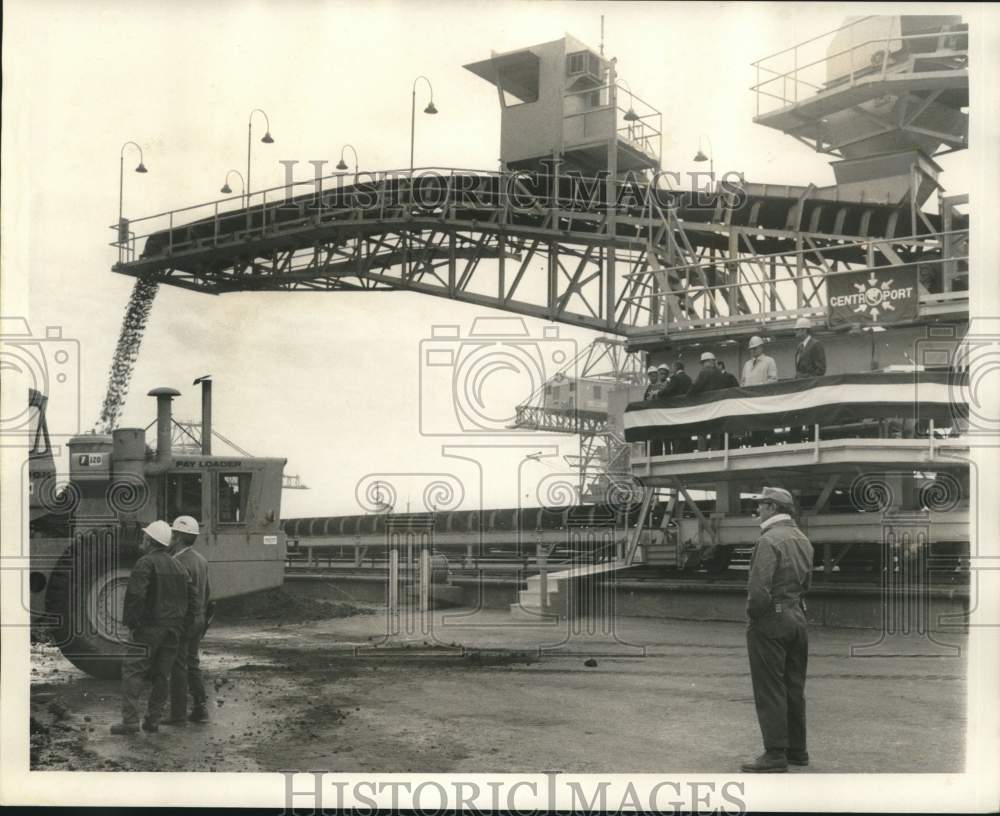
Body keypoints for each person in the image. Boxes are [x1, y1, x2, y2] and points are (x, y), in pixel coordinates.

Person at [741, 487, 814, 773]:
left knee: (769, 687)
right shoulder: (803, 539)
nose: (758, 510)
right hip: (797, 616)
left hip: (771, 620)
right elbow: (807, 583)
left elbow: (759, 589)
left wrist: (755, 618)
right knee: (794, 686)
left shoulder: (769, 540)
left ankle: (774, 754)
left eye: (760, 505)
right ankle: (798, 750)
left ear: (772, 507)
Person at [111, 520, 196, 735]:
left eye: (144, 537)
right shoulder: (178, 565)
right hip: (173, 630)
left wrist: (133, 623)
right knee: (161, 675)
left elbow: (136, 595)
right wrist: (182, 626)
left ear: (150, 541)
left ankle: (130, 722)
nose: (142, 540)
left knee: (133, 671)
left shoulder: (145, 563)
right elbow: (192, 599)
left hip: (149, 628)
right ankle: (153, 720)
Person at [165, 515, 213, 725]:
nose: (171, 537)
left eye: (173, 534)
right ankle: (200, 708)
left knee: (178, 666)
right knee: (192, 663)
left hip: (184, 622)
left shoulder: (176, 563)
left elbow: (175, 598)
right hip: (199, 619)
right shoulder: (201, 560)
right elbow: (208, 592)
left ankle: (177, 715)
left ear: (180, 537)